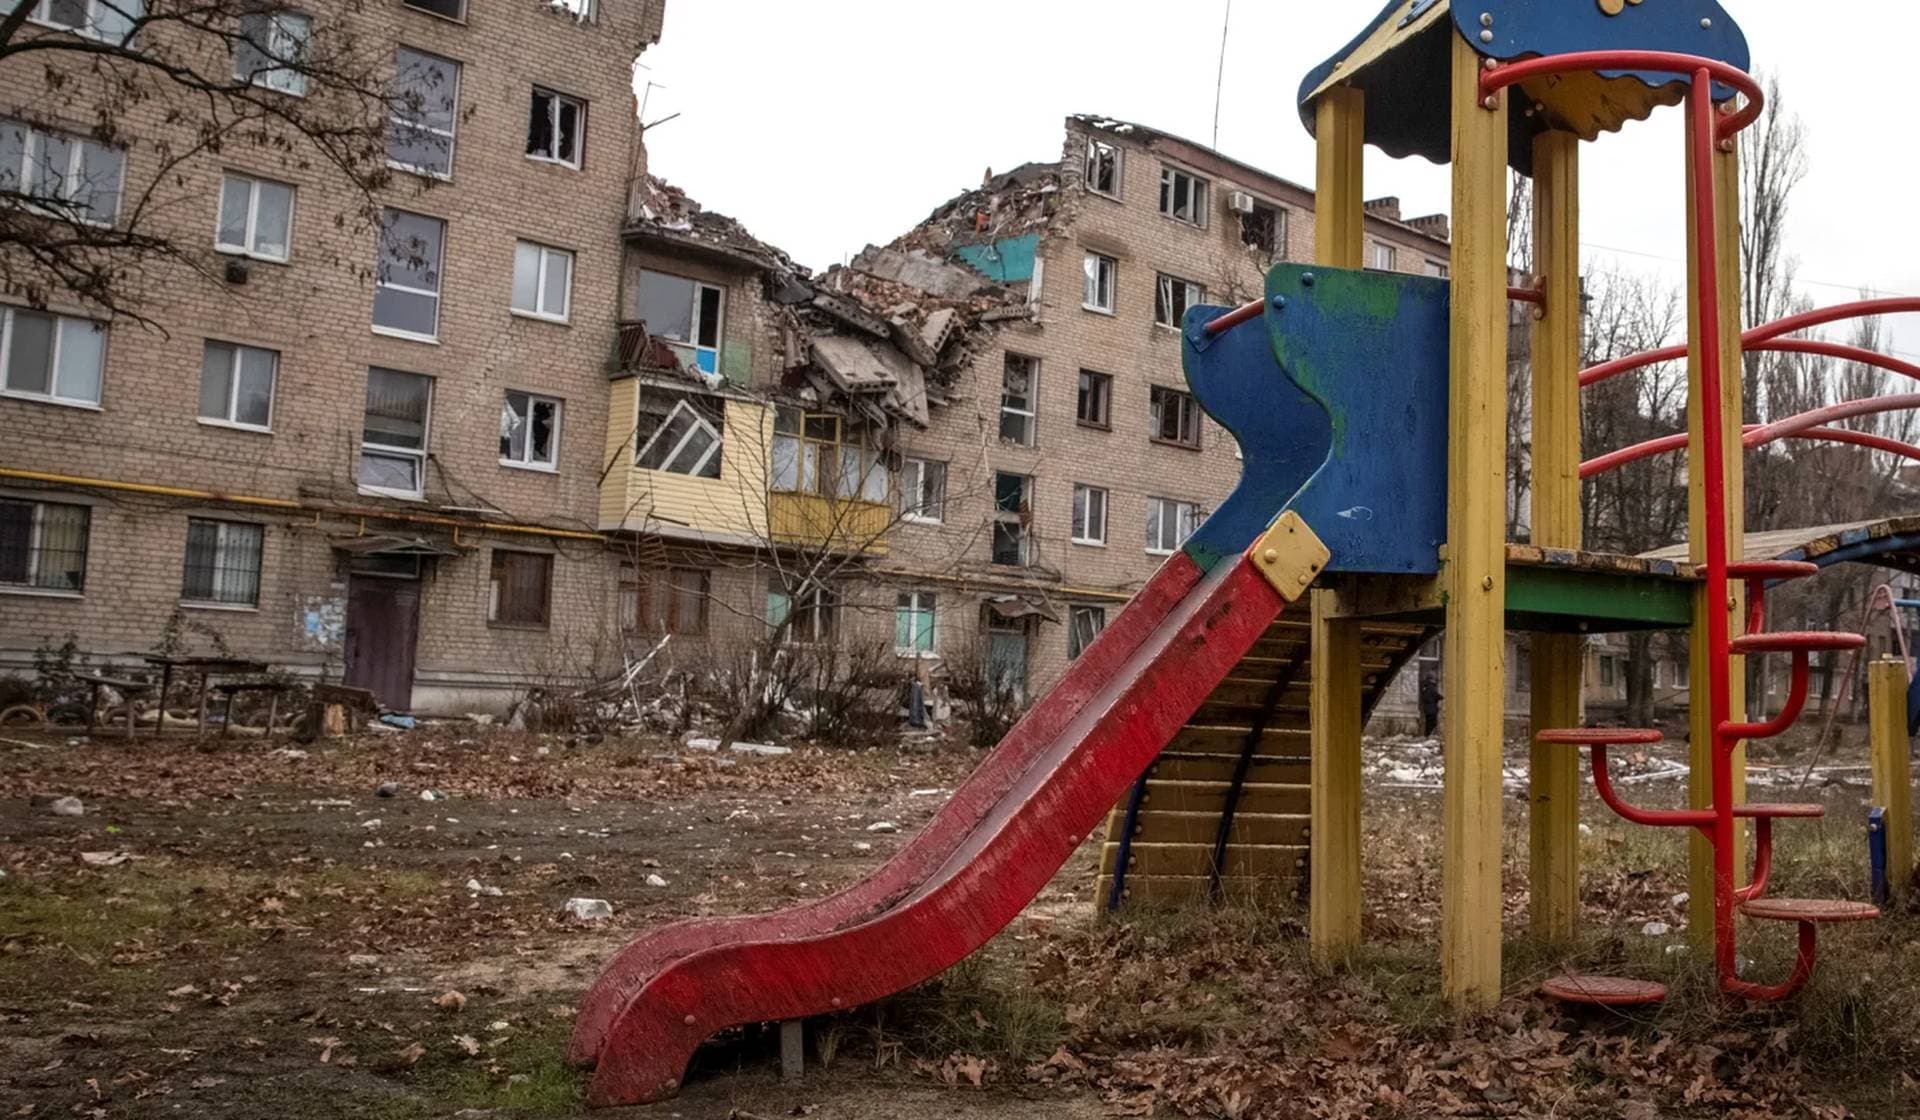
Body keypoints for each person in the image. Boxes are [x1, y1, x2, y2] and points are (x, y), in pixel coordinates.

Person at [1418, 672, 1441, 738]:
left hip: (1427, 708)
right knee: (1433, 723)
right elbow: (1436, 695)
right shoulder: (1431, 687)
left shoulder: (1425, 686)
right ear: (1431, 679)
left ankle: (1427, 735)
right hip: (1432, 708)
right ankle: (1428, 735)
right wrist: (1442, 697)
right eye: (1434, 679)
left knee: (1428, 722)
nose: (1435, 680)